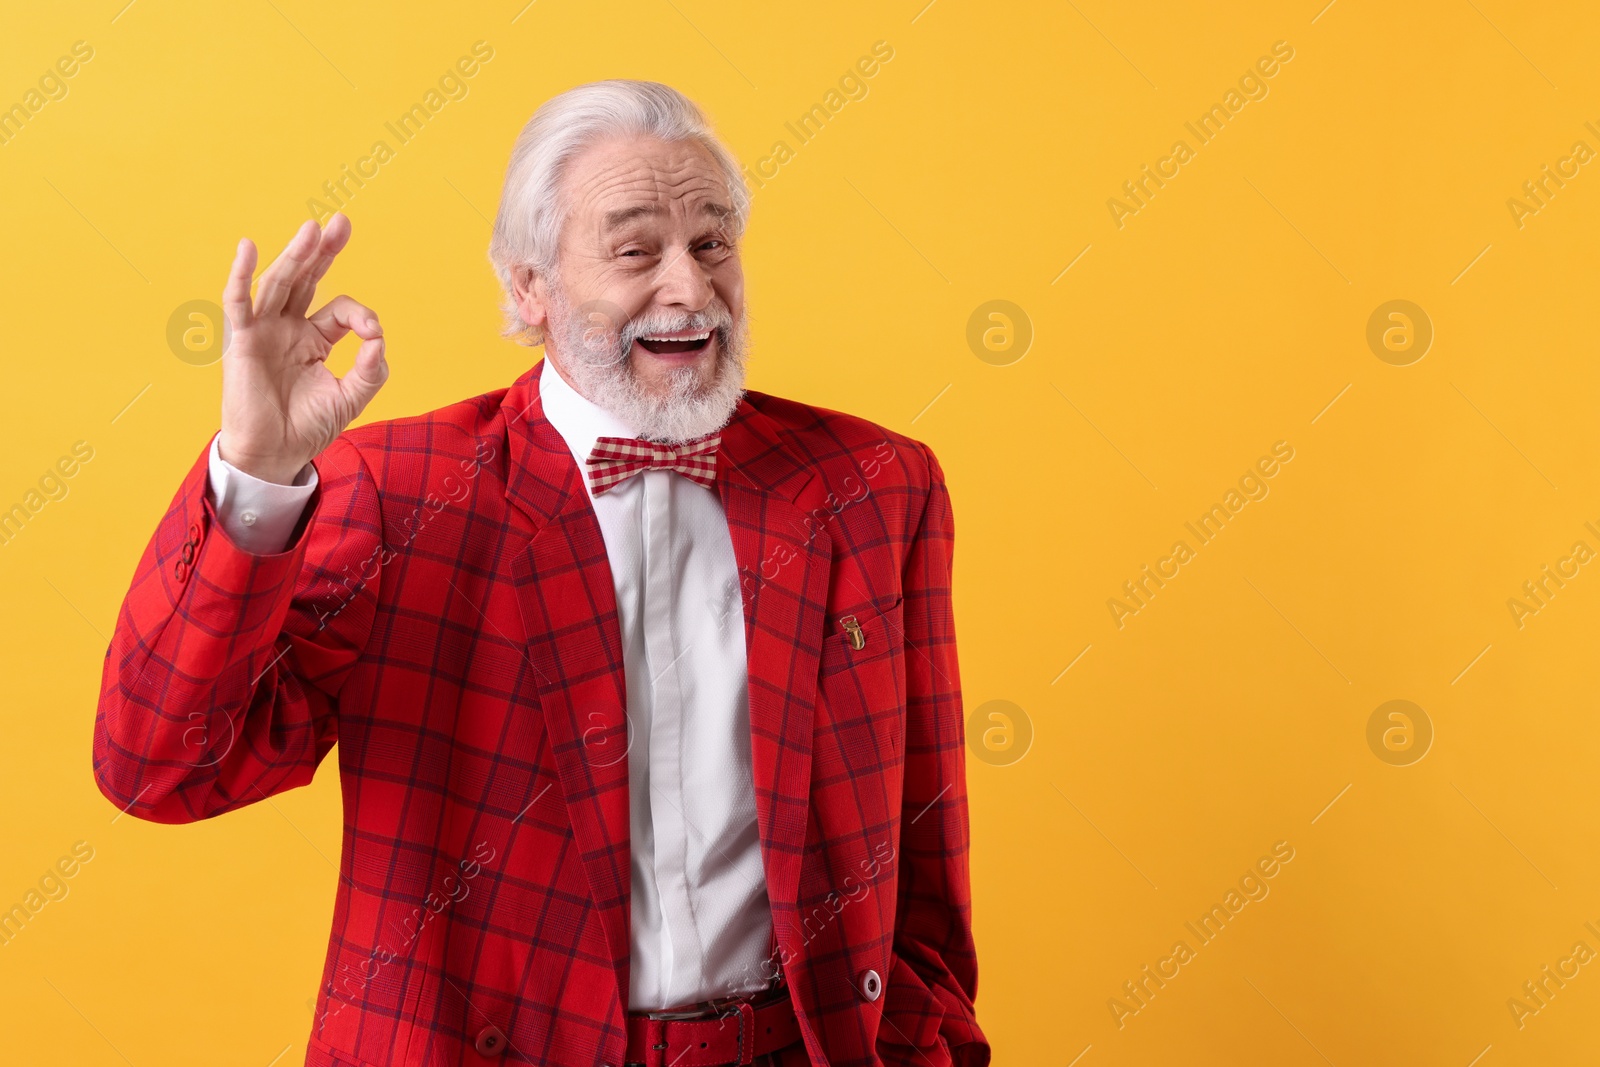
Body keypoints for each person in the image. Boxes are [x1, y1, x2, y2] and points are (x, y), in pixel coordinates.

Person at [93, 79, 985, 1067]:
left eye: (713, 243)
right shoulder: (397, 492)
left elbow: (922, 854)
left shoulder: (871, 484)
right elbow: (163, 766)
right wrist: (256, 474)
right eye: (637, 249)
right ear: (529, 288)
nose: (690, 288)